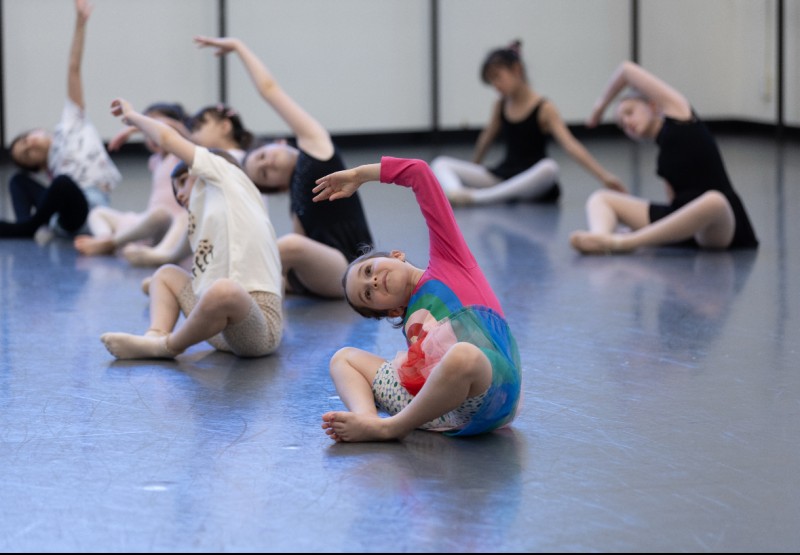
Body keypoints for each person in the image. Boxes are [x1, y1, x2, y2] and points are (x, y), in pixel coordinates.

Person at [312, 157, 522, 442]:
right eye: (368, 294)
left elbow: (420, 173)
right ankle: (368, 419)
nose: (373, 282)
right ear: (392, 310)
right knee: (342, 358)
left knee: (463, 355)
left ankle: (390, 428)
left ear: (396, 255)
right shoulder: (410, 316)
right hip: (433, 409)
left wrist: (361, 175)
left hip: (488, 395)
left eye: (369, 270)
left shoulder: (450, 261)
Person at [100, 98, 283, 360]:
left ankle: (169, 346)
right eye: (177, 194)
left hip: (258, 324)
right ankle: (156, 334)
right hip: (216, 327)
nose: (182, 196)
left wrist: (134, 117)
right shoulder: (202, 218)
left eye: (184, 183)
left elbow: (167, 137)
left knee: (224, 290)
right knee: (165, 275)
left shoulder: (226, 175)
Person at [194, 36, 374, 299]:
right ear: (277, 185)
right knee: (280, 249)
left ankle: (222, 291)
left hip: (350, 269)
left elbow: (270, 90)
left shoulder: (316, 148)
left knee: (287, 246)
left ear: (279, 142)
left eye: (264, 155)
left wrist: (238, 47)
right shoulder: (296, 205)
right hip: (317, 273)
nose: (269, 162)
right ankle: (220, 292)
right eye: (265, 172)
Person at [569, 60, 759, 254]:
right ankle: (601, 237)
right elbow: (675, 207)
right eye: (622, 124)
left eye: (630, 112)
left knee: (714, 200)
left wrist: (599, 108)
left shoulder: (681, 117)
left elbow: (626, 70)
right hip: (686, 221)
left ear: (653, 106)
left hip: (719, 225)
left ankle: (625, 243)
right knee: (600, 198)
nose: (627, 122)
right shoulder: (663, 157)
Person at [430, 39, 625, 207]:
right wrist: (473, 169)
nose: (496, 85)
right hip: (504, 175)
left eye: (498, 77)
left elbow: (570, 145)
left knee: (550, 168)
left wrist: (604, 176)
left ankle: (479, 199)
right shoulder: (500, 105)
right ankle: (459, 194)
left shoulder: (544, 107)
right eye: (491, 81)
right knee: (440, 163)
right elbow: (486, 139)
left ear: (517, 70)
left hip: (533, 180)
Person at [2, 0, 121, 243]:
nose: (30, 146)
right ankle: (28, 225)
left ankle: (27, 228)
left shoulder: (71, 123)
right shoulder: (51, 167)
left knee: (64, 184)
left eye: (26, 139)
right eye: (26, 155)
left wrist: (80, 23)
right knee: (18, 181)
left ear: (38, 131)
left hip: (88, 210)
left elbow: (73, 68)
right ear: (37, 166)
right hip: (60, 211)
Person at [73, 102, 190, 259]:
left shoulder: (180, 156)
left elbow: (178, 132)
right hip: (149, 221)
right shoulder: (155, 161)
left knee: (161, 214)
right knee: (98, 213)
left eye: (153, 129)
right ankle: (105, 240)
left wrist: (135, 126)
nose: (151, 136)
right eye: (147, 133)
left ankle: (139, 249)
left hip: (172, 224)